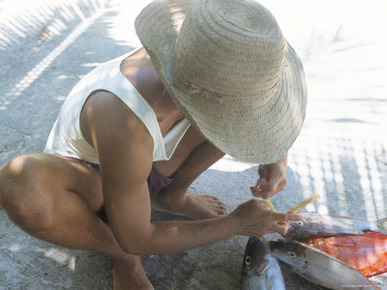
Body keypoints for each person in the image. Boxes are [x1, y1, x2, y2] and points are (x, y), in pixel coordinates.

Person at [0, 0, 307, 289]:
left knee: (238, 119)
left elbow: (253, 107)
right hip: (95, 180)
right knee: (21, 185)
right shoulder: (121, 119)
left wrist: (276, 154)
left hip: (148, 162)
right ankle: (122, 260)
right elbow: (138, 237)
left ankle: (173, 195)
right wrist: (235, 224)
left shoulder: (201, 67)